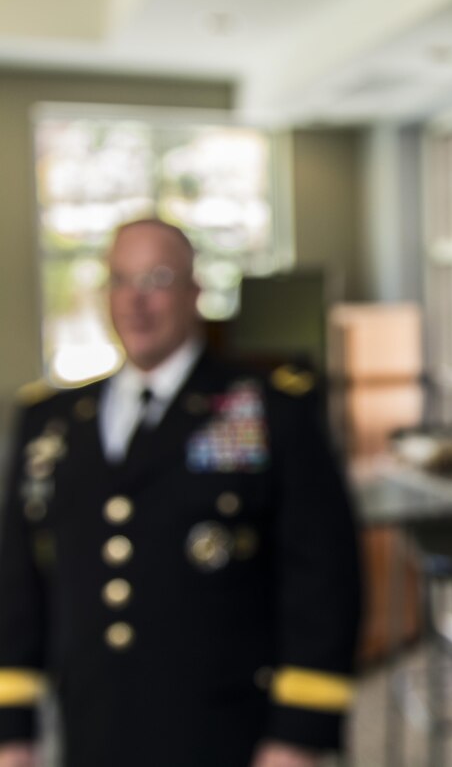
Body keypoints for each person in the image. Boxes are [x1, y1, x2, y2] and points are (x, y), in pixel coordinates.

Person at [0, 219, 361, 767]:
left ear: (195, 292)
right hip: (93, 728)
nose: (135, 301)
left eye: (157, 279)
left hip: (226, 730)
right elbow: (17, 584)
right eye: (120, 280)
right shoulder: (48, 423)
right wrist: (13, 729)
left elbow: (323, 577)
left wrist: (299, 735)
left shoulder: (268, 411)